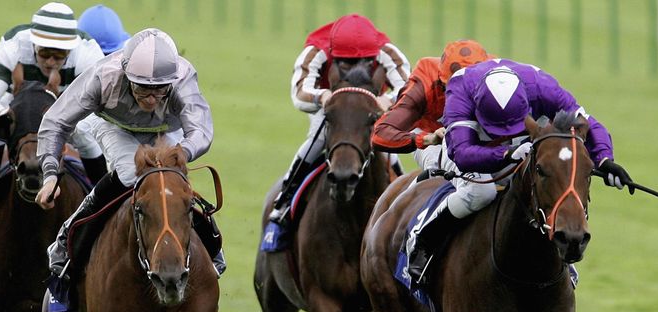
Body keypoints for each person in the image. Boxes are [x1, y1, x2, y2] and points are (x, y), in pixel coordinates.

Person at [407, 59, 634, 285]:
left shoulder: (542, 86)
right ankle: (425, 239)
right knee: (480, 193)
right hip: (469, 143)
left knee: (545, 177)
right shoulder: (460, 92)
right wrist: (507, 153)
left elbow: (588, 124)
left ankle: (561, 254)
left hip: (525, 133)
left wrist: (604, 159)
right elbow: (463, 155)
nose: (504, 134)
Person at [35, 28, 225, 282]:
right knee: (129, 173)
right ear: (126, 75)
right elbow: (55, 121)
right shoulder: (103, 77)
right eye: (142, 88)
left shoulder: (181, 78)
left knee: (168, 180)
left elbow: (201, 129)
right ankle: (67, 236)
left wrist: (183, 152)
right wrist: (49, 174)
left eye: (159, 89)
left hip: (167, 130)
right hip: (114, 125)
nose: (150, 99)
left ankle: (211, 245)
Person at [268, 13, 411, 225]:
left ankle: (405, 201)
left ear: (374, 54)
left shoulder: (386, 51)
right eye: (345, 63)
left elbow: (409, 89)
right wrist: (322, 96)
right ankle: (285, 198)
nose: (355, 68)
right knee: (316, 141)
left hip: (368, 108)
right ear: (333, 53)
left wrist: (387, 100)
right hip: (330, 105)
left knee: (386, 144)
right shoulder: (317, 50)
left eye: (364, 62)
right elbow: (299, 93)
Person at [0, 2, 105, 219]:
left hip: (65, 108)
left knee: (87, 138)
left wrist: (70, 124)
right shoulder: (14, 45)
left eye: (59, 56)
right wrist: (4, 116)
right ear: (33, 46)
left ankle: (103, 198)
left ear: (70, 50)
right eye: (44, 53)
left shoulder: (88, 54)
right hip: (19, 106)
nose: (50, 62)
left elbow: (99, 110)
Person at [371, 39, 492, 168]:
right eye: (456, 90)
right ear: (441, 80)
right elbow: (379, 134)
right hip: (432, 137)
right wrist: (428, 138)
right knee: (436, 166)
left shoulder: (499, 76)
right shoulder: (422, 86)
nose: (463, 99)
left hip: (481, 134)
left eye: (470, 92)